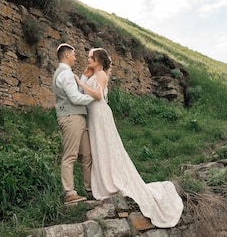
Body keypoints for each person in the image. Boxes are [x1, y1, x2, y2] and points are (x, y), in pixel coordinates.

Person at [76, 47, 184, 228]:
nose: (88, 60)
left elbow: (97, 95)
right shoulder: (93, 74)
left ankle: (114, 180)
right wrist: (85, 76)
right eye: (87, 57)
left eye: (91, 58)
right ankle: (104, 181)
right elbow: (81, 95)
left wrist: (81, 82)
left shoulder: (101, 74)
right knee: (99, 148)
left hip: (101, 115)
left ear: (99, 60)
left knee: (108, 147)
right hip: (94, 118)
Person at [52, 43, 102, 205]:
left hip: (78, 118)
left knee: (86, 155)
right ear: (66, 55)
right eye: (73, 54)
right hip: (70, 117)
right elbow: (75, 98)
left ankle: (90, 190)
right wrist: (96, 97)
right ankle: (69, 193)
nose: (75, 57)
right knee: (70, 156)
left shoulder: (68, 74)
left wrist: (84, 78)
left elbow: (76, 92)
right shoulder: (65, 74)